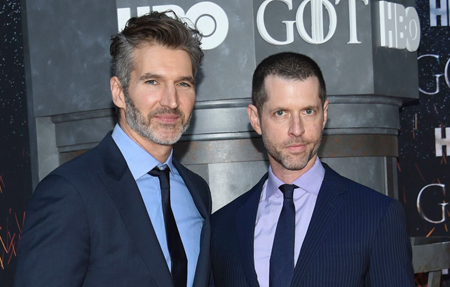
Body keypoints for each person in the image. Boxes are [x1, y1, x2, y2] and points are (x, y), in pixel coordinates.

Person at [15, 11, 211, 287]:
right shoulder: (70, 192)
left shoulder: (196, 190)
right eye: (152, 81)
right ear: (119, 92)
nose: (172, 101)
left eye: (183, 83)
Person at [210, 52, 414, 287]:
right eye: (281, 113)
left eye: (308, 111)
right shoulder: (222, 227)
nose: (297, 129)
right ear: (256, 119)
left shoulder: (377, 216)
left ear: (324, 114)